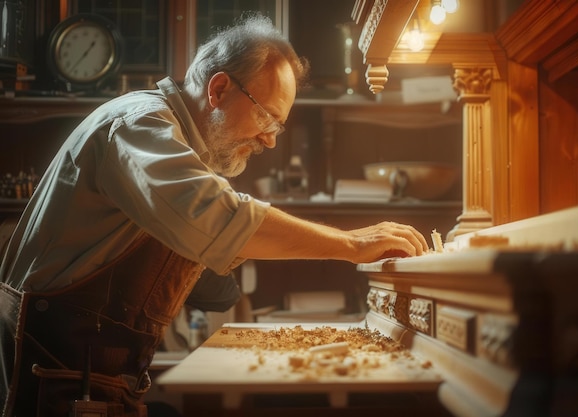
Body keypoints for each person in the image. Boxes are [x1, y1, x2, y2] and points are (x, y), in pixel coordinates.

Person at [0, 13, 428, 417]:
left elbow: (211, 263)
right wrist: (352, 245)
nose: (270, 139)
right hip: (49, 375)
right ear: (219, 89)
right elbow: (218, 216)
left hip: (91, 376)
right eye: (266, 117)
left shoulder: (181, 145)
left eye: (277, 126)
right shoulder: (138, 124)